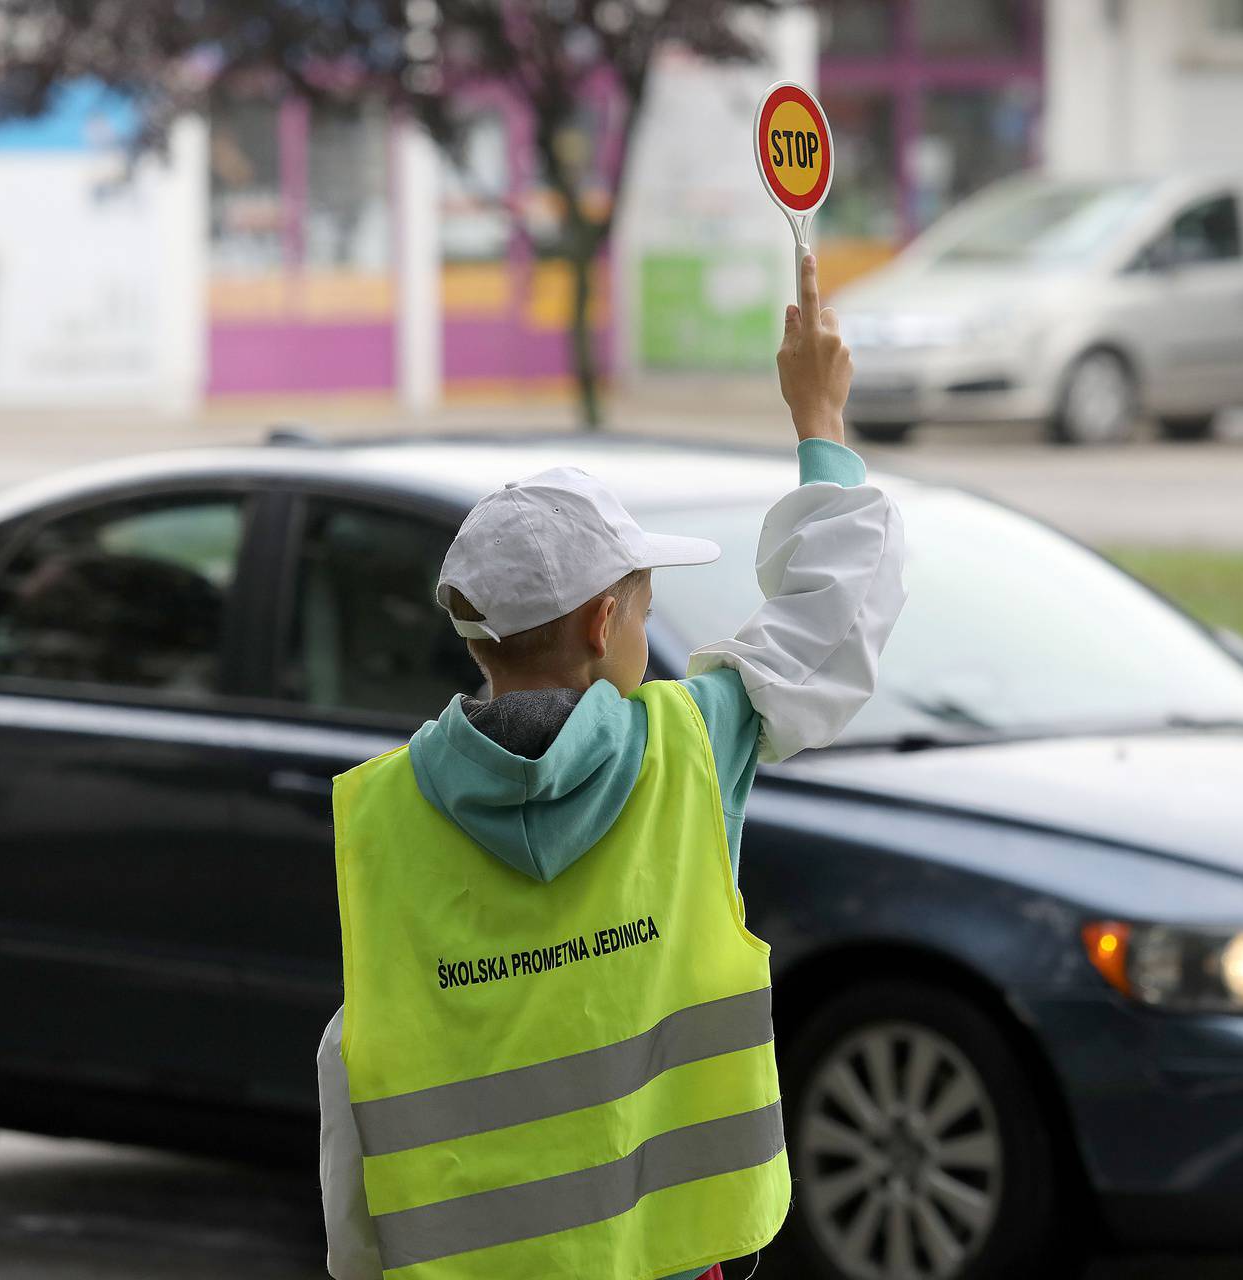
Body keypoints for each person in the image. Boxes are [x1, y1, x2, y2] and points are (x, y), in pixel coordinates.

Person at [317, 254, 904, 1280]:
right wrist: (820, 420)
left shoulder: (386, 815)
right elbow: (833, 619)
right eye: (640, 602)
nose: (643, 623)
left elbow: (352, 1078)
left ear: (479, 637)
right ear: (602, 621)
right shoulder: (690, 747)